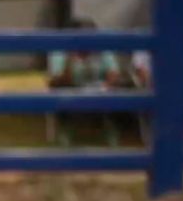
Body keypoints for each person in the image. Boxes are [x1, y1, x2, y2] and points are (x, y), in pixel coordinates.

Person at [46, 18, 124, 147]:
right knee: (63, 101)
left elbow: (114, 73)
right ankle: (65, 145)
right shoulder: (60, 52)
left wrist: (107, 85)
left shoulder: (103, 49)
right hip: (70, 91)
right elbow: (59, 80)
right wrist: (70, 59)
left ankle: (113, 144)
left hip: (99, 92)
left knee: (114, 100)